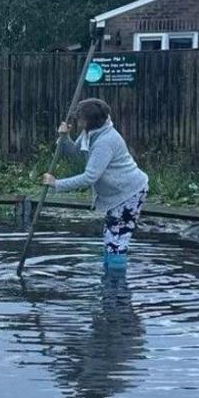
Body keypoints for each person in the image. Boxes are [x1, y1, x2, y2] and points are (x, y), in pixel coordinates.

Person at [42, 98, 149, 271]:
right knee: (110, 238)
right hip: (117, 193)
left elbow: (89, 177)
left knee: (116, 240)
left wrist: (56, 184)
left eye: (80, 118)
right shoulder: (91, 133)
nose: (77, 120)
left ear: (90, 121)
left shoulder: (105, 142)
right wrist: (65, 137)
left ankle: (116, 285)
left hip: (130, 193)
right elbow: (76, 153)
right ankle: (110, 278)